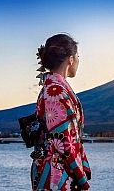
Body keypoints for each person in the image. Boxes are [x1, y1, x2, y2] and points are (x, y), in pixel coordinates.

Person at [31, 33, 91, 191]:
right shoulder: (55, 91)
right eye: (78, 56)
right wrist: (81, 176)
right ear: (70, 59)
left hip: (57, 169)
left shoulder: (55, 87)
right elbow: (63, 139)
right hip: (57, 173)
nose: (78, 60)